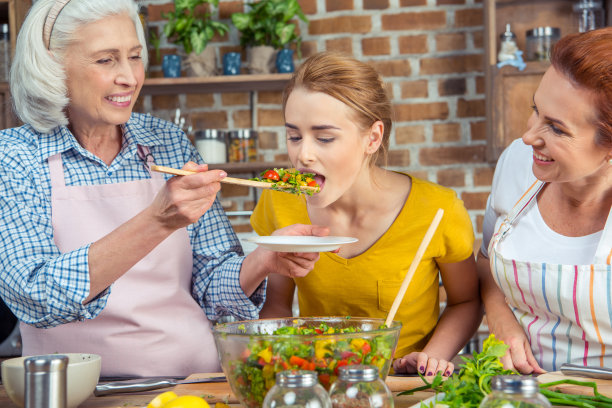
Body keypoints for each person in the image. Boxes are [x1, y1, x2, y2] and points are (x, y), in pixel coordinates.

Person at [0, 0, 323, 377]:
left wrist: (263, 261)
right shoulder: (14, 156)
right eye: (106, 60)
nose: (129, 77)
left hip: (194, 383)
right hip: (78, 391)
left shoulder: (166, 140)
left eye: (134, 57)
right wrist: (157, 221)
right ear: (51, 65)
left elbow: (212, 286)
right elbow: (33, 295)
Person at [250, 52, 482, 376]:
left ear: (372, 138)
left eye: (325, 138)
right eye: (294, 136)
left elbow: (466, 302)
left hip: (402, 387)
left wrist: (429, 359)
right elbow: (275, 305)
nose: (302, 155)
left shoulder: (439, 210)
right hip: (317, 383)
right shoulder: (279, 203)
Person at [477, 27, 612, 374]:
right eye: (535, 109)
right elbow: (486, 260)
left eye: (556, 127)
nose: (528, 136)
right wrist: (500, 319)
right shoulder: (517, 164)